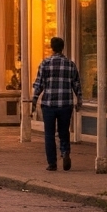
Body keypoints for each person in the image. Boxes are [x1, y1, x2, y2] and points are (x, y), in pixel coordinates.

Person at [31, 36, 82, 171]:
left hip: (49, 104)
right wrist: (79, 100)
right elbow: (76, 84)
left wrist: (34, 99)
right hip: (66, 104)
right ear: (62, 47)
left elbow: (39, 84)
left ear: (52, 48)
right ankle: (65, 152)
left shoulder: (45, 64)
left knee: (49, 133)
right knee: (64, 131)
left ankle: (52, 163)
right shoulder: (70, 65)